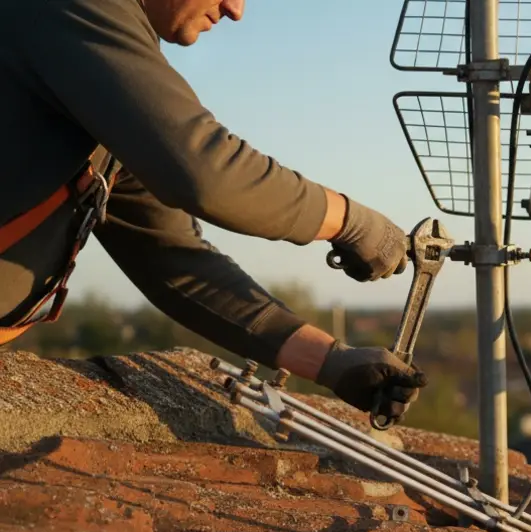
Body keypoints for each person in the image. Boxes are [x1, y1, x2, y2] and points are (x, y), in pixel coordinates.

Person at [0, 0, 427, 420]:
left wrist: (331, 362)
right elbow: (204, 170)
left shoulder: (99, 62)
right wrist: (352, 223)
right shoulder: (68, 9)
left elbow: (171, 258)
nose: (235, 9)